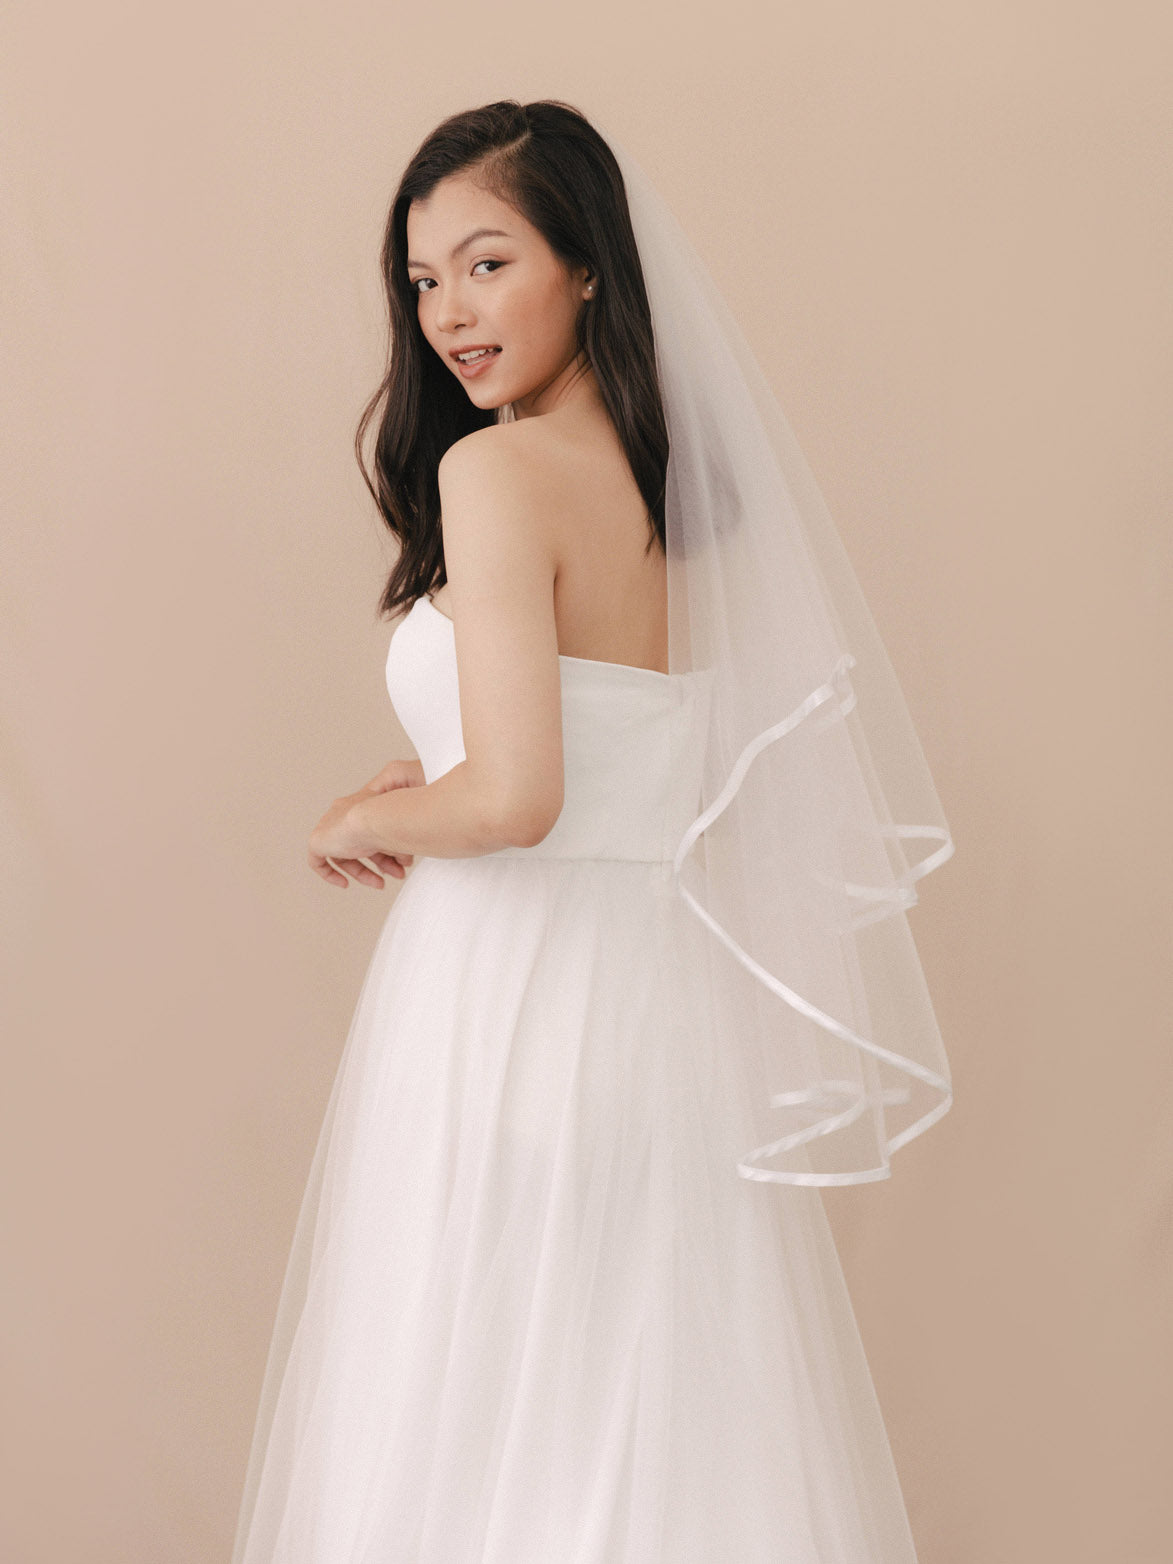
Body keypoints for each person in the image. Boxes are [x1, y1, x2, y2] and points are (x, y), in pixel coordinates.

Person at [231, 98, 953, 1563]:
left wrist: (361, 817)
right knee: (634, 1401)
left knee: (474, 1395)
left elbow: (514, 800)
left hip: (507, 996)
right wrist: (430, 762)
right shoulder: (676, 492)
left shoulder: (492, 473)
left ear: (586, 268)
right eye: (421, 280)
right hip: (650, 1006)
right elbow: (608, 748)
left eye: (486, 263)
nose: (447, 313)